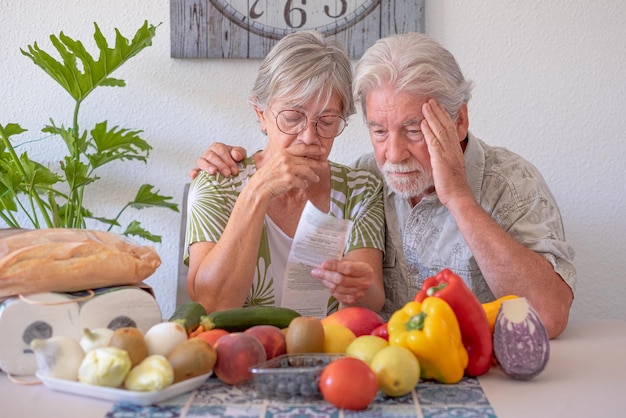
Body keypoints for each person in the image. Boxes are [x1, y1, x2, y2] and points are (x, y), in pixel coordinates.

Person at [192, 33, 576, 338]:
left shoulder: (510, 184)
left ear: (459, 122)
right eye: (378, 130)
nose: (393, 154)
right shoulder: (370, 178)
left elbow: (549, 314)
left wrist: (459, 199)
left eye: (413, 130)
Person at [184, 31, 386, 317]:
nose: (308, 137)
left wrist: (357, 288)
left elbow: (371, 300)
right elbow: (210, 305)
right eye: (292, 117)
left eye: (327, 122)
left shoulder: (359, 189)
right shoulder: (217, 182)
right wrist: (257, 191)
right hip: (239, 354)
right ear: (261, 114)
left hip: (329, 354)